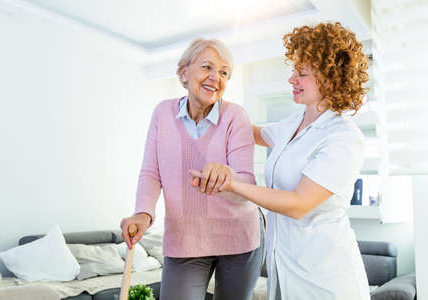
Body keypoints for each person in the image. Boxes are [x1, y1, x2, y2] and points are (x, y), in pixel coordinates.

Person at [190, 22, 371, 299]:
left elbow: (298, 204)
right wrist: (213, 101)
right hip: (283, 268)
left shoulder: (344, 138)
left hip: (327, 279)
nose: (292, 80)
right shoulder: (294, 123)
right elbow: (254, 133)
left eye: (301, 74)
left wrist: (233, 184)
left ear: (329, 78)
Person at [120, 38, 265, 300]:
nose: (216, 77)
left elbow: (247, 185)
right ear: (184, 72)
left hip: (239, 236)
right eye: (207, 67)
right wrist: (143, 213)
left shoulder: (235, 116)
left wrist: (227, 178)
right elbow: (151, 172)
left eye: (224, 72)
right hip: (185, 238)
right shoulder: (162, 113)